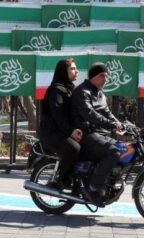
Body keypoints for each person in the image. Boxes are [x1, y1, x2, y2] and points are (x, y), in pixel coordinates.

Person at [70, 62, 123, 205]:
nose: (105, 79)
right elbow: (90, 114)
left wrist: (121, 124)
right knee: (113, 152)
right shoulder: (82, 92)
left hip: (98, 134)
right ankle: (93, 188)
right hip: (85, 133)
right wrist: (110, 124)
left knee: (122, 148)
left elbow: (107, 113)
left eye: (107, 76)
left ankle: (108, 184)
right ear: (93, 77)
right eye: (102, 76)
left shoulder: (100, 94)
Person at [37, 58, 82, 190]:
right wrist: (71, 131)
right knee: (74, 148)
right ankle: (60, 180)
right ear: (63, 71)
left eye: (76, 68)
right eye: (72, 69)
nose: (76, 71)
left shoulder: (70, 89)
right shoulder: (56, 90)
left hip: (62, 131)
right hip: (52, 133)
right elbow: (59, 116)